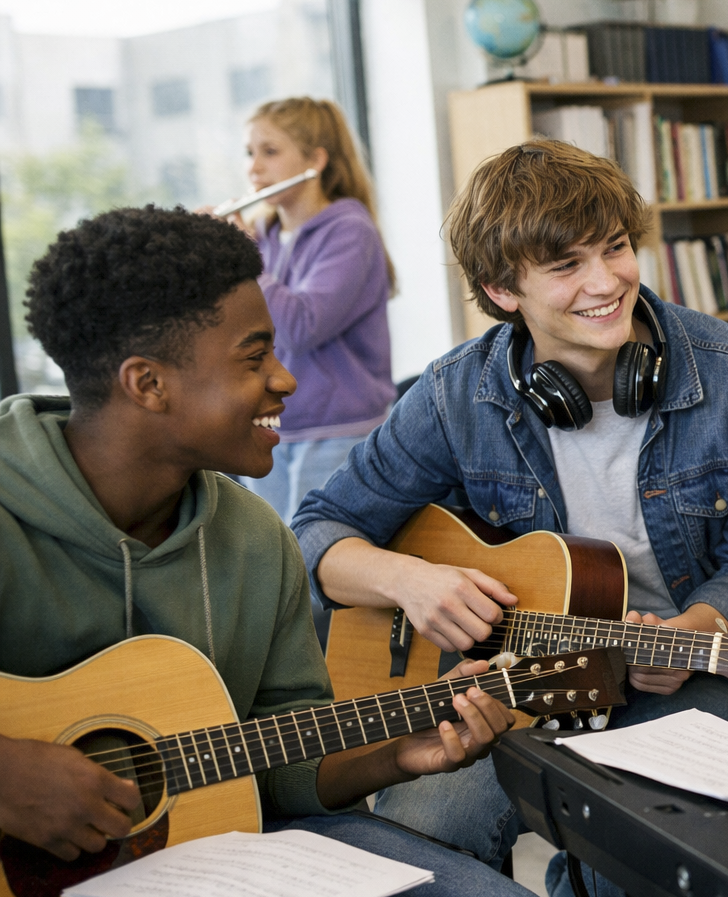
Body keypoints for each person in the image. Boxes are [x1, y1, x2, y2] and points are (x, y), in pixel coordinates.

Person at [291, 139, 728, 880]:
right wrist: (409, 583)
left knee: (669, 852)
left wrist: (695, 628)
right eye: (565, 266)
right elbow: (318, 532)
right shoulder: (456, 393)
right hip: (506, 686)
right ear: (501, 291)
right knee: (421, 857)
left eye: (614, 249)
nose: (605, 282)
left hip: (675, 679)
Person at [0, 206, 526, 897]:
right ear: (147, 384)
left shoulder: (255, 538)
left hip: (217, 844)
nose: (286, 379)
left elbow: (276, 759)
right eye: (255, 357)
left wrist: (397, 754)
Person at [234, 97, 396, 524]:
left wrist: (243, 256)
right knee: (273, 564)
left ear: (316, 160)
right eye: (250, 153)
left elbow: (300, 327)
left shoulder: (349, 231)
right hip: (272, 427)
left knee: (313, 571)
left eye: (270, 152)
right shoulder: (266, 234)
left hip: (337, 433)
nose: (254, 168)